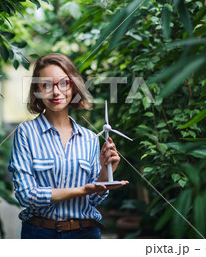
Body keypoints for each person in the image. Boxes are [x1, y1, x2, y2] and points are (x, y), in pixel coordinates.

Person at [8, 53, 128, 239]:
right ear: (37, 90)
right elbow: (26, 195)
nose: (56, 92)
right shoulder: (26, 133)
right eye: (46, 85)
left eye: (64, 83)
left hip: (86, 233)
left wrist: (105, 173)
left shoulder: (89, 137)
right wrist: (81, 190)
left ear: (73, 86)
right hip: (40, 234)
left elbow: (93, 199)